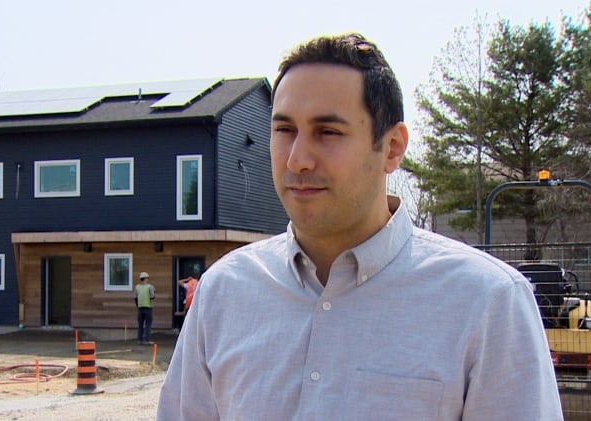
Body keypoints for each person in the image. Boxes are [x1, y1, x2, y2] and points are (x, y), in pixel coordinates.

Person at [157, 33, 562, 419]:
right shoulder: (223, 293)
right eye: (284, 130)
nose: (297, 158)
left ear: (392, 148)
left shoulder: (487, 303)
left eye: (327, 132)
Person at [133, 271, 154, 345]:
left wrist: (137, 305)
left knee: (140, 324)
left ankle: (140, 340)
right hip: (148, 307)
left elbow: (135, 297)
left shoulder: (137, 287)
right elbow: (152, 296)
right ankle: (147, 340)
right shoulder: (150, 287)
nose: (148, 279)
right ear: (146, 278)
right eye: (147, 278)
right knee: (148, 324)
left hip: (140, 308)